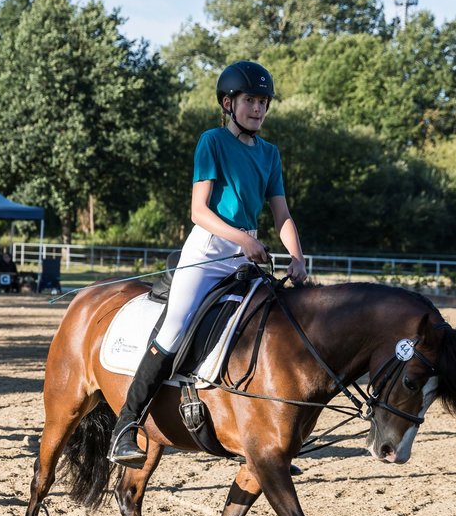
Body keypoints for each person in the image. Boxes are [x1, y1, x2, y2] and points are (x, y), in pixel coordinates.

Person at [107, 60, 308, 467]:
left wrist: (299, 258)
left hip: (245, 254)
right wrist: (245, 239)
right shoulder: (211, 141)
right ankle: (126, 426)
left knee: (271, 325)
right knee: (176, 327)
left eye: (263, 102)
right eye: (250, 100)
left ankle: (257, 430)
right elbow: (199, 211)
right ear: (228, 103)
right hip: (209, 250)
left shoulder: (270, 154)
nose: (257, 109)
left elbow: (282, 215)